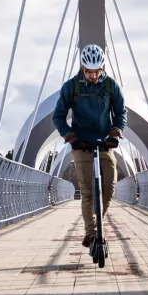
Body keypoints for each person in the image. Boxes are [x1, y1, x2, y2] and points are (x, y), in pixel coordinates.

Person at [52, 43, 127, 248]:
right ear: (83, 68)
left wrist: (115, 133)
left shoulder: (111, 86)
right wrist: (70, 136)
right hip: (81, 143)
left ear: (102, 68)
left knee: (109, 187)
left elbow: (121, 113)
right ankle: (93, 234)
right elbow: (58, 116)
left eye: (97, 72)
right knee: (87, 191)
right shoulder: (71, 87)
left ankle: (95, 224)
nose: (93, 76)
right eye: (89, 72)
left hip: (104, 143)